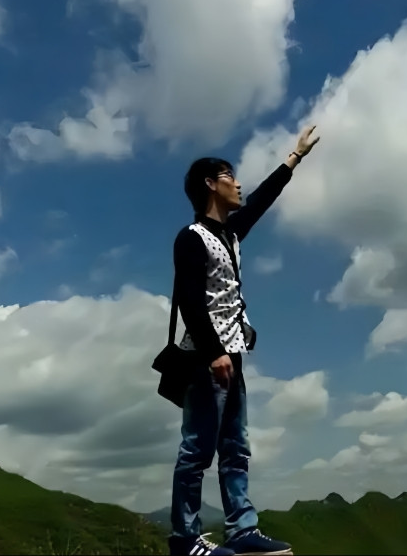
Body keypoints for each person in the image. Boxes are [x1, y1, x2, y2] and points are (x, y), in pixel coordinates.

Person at [167, 126, 320, 556]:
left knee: (235, 447)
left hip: (232, 354)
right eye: (230, 176)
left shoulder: (231, 235)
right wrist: (213, 352)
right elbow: (189, 300)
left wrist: (295, 157)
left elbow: (263, 199)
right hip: (205, 358)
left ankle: (242, 530)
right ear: (209, 185)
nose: (238, 184)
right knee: (197, 449)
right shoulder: (191, 238)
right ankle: (185, 538)